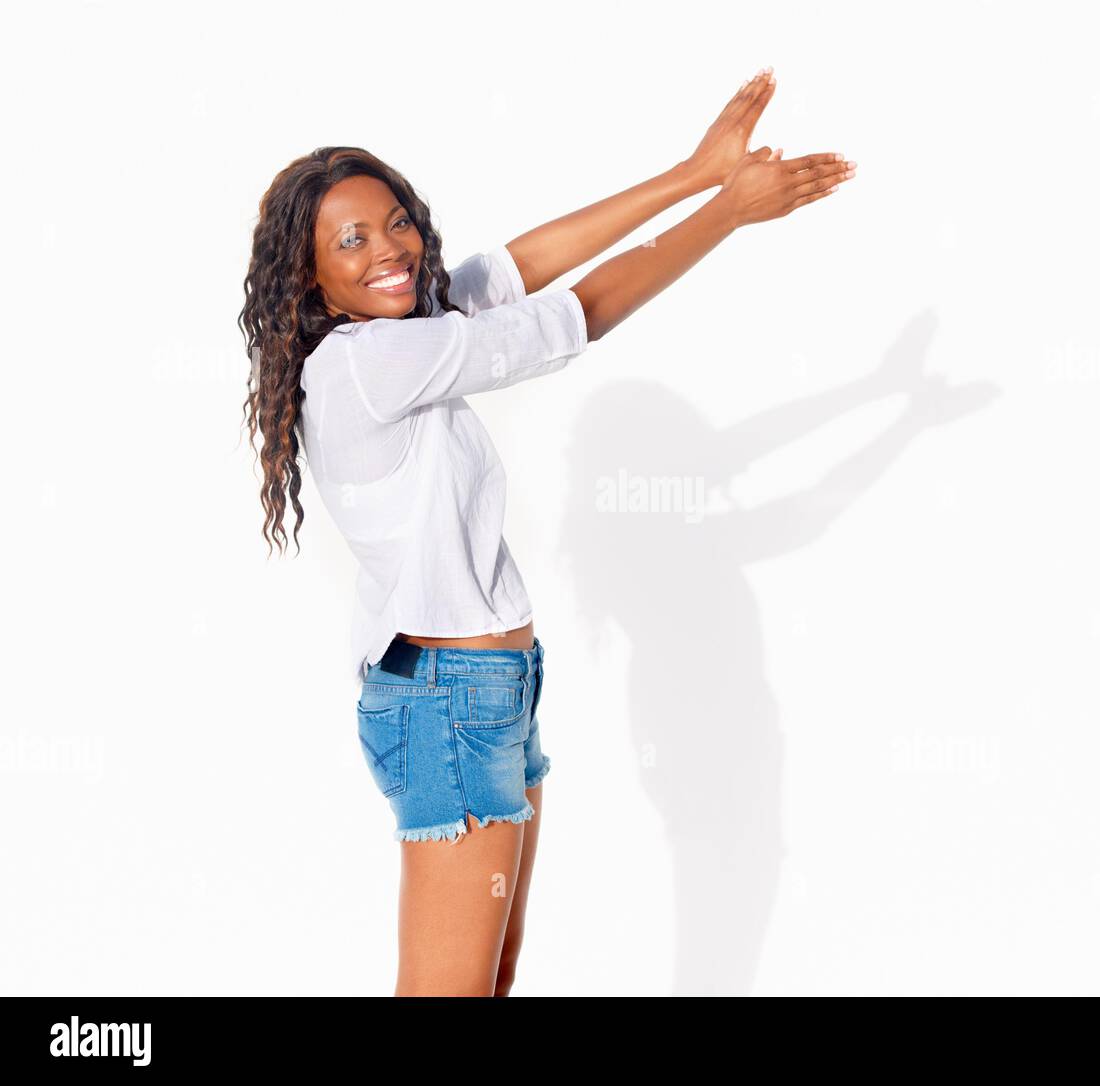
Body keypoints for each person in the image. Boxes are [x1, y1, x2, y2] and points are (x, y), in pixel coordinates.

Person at [238, 66, 855, 996]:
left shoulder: (403, 329)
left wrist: (693, 174)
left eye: (397, 221)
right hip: (447, 704)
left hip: (489, 691)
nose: (389, 251)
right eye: (352, 240)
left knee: (489, 978)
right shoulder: (370, 360)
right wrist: (725, 213)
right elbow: (572, 315)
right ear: (310, 273)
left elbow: (516, 270)